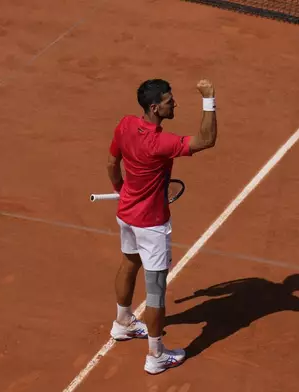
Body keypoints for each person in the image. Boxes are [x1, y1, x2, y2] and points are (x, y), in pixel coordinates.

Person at [106, 78, 218, 374]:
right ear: (155, 108)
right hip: (152, 226)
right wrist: (209, 99)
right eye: (170, 101)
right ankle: (156, 355)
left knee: (129, 263)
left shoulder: (125, 124)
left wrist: (122, 190)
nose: (175, 104)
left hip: (126, 214)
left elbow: (110, 163)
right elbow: (206, 140)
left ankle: (123, 323)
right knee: (155, 291)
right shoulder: (161, 143)